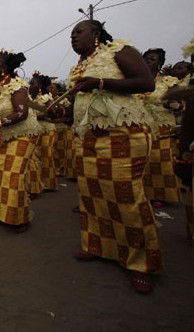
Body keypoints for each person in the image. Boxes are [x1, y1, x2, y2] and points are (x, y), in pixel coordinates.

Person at [68, 20, 161, 293]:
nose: (73, 38)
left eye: (78, 32)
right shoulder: (81, 65)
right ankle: (98, 246)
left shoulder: (119, 50)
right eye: (71, 34)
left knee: (126, 197)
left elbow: (146, 83)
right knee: (93, 195)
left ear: (96, 34)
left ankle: (141, 263)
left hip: (124, 134)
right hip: (90, 138)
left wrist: (98, 82)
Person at [0, 50, 40, 233]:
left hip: (23, 134)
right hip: (2, 135)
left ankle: (20, 219)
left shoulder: (16, 85)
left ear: (4, 68)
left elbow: (22, 113)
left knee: (12, 175)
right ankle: (4, 214)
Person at [139, 48, 181, 208]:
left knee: (159, 161)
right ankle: (142, 192)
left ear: (160, 62)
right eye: (146, 59)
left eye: (153, 59)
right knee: (142, 160)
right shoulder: (136, 80)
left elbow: (178, 104)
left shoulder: (168, 82)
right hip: (141, 125)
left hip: (162, 126)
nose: (149, 61)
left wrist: (171, 104)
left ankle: (159, 195)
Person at [29, 72, 58, 192]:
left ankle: (48, 183)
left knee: (46, 154)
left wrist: (36, 117)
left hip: (47, 129)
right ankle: (38, 182)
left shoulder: (46, 97)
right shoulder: (29, 97)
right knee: (36, 156)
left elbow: (52, 113)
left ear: (40, 85)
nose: (30, 85)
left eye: (32, 83)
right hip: (35, 130)